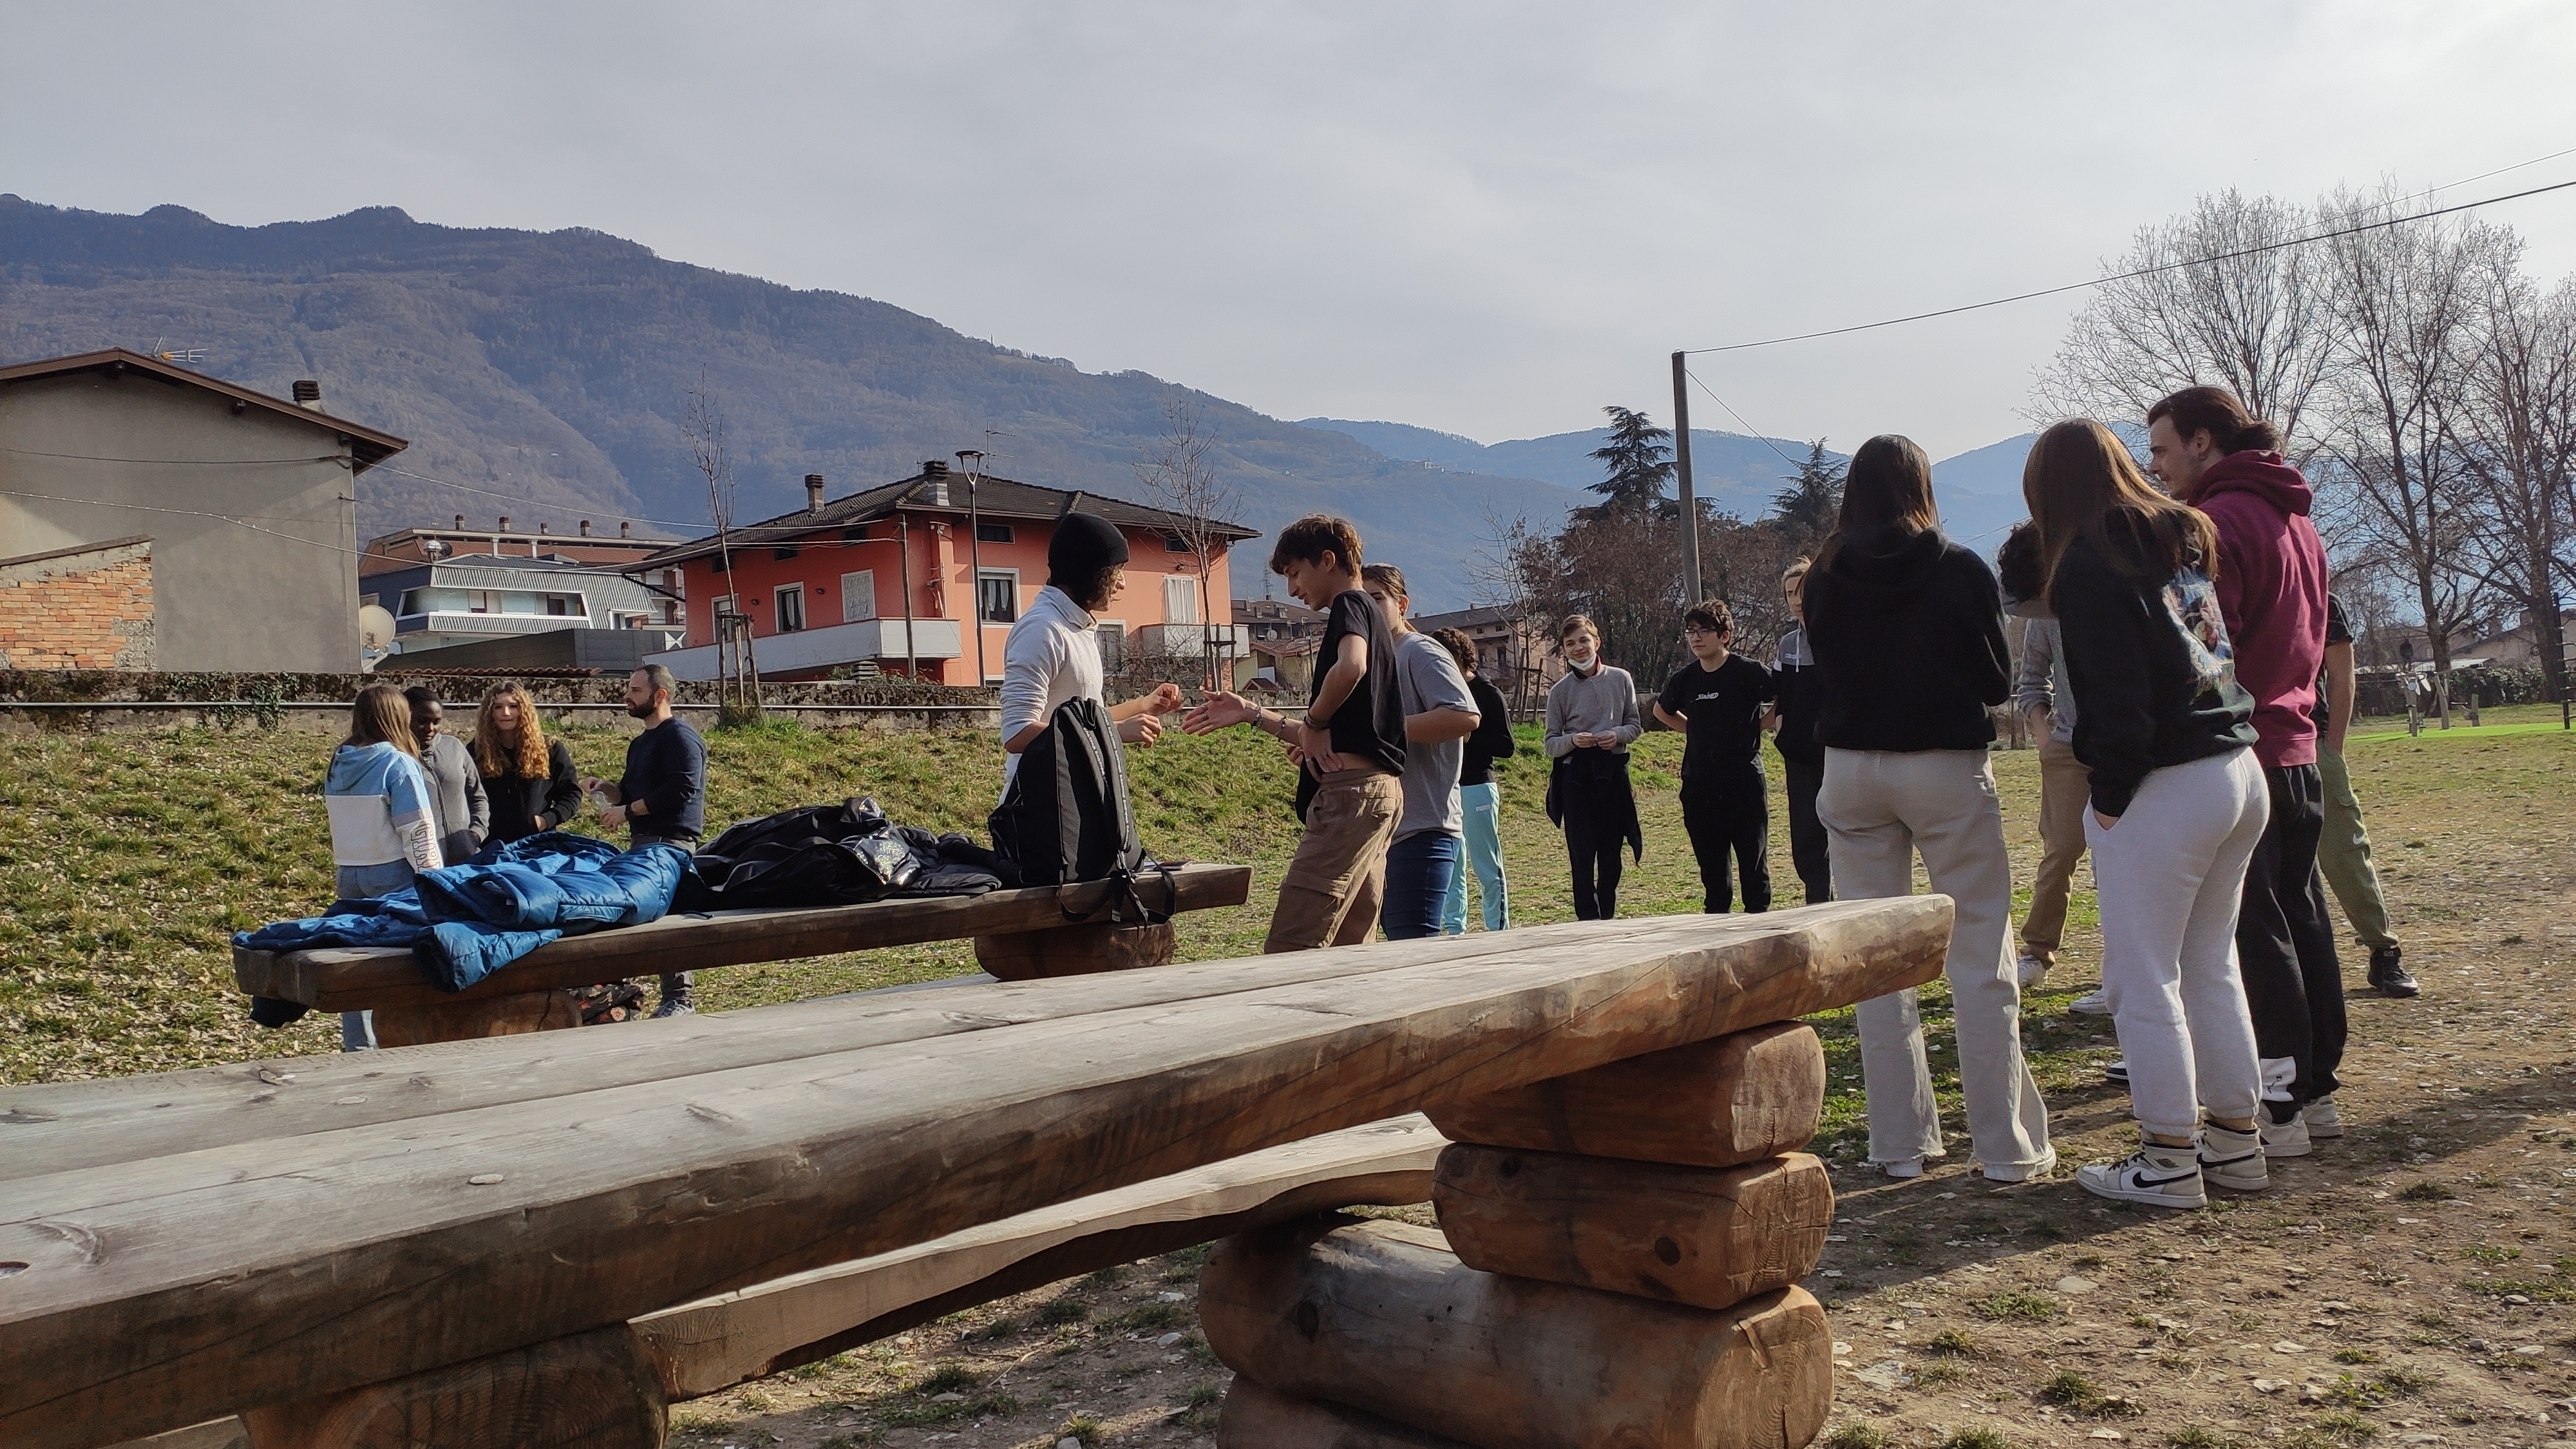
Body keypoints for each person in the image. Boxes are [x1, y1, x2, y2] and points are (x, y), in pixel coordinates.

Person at [2025, 419, 2271, 1209]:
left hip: (2167, 782)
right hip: (2235, 767)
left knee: (2142, 979)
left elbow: (2119, 701)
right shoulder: (2178, 535)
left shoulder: (2088, 562)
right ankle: (2235, 1142)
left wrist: (2106, 802)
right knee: (2209, 966)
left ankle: (2167, 1158)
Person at [1802, 433, 2052, 1184]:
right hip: (1942, 766)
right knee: (1979, 954)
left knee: (1877, 964)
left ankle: (1899, 1144)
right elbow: (1994, 681)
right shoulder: (1957, 567)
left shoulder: (1823, 573)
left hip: (1850, 768)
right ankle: (2005, 1147)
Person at [2146, 385, 2341, 1154]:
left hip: (2244, 746)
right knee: (2302, 916)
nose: (2155, 467)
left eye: (2162, 449)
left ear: (2202, 442)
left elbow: (2202, 651)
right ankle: (2315, 1088)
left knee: (2254, 931)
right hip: (2296, 744)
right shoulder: (2298, 519)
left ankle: (2280, 1101)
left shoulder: (2216, 523)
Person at [1185, 515, 1405, 952]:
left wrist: (1317, 722)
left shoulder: (1349, 604)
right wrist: (1253, 713)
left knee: (1294, 943)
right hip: (1380, 793)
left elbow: (1351, 667)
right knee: (1352, 945)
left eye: (1295, 573)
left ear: (1328, 560)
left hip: (1350, 798)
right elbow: (1329, 736)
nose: (1291, 589)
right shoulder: (1374, 616)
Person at [1001, 512, 1184, 779]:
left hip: (1077, 791)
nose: (1122, 583)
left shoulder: (1075, 626)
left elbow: (1088, 720)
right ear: (1089, 572)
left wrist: (1145, 705)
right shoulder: (1042, 629)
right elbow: (1016, 732)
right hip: (1042, 798)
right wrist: (1112, 732)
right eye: (1115, 571)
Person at [1997, 524, 2095, 998]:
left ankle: (2128, 966)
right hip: (2068, 748)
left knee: (2126, 857)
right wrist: (2045, 734)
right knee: (2062, 850)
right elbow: (2031, 678)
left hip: (2131, 747)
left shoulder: (2109, 591)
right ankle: (2037, 952)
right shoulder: (2043, 608)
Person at [1361, 565, 1481, 940]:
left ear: (1402, 604)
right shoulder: (1369, 660)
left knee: (1415, 946)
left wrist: (1383, 732)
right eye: (1361, 601)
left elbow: (1465, 716)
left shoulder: (1420, 651)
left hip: (1425, 828)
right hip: (1384, 830)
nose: (1369, 608)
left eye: (1377, 598)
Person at [581, 664, 707, 1016]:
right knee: (651, 918)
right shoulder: (640, 744)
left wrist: (627, 812)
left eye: (636, 690)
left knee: (665, 920)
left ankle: (679, 1000)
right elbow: (630, 793)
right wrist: (605, 790)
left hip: (670, 844)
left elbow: (683, 789)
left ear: (660, 695)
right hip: (644, 844)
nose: (627, 696)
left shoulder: (680, 737)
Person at [324, 683, 444, 1051]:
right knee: (406, 962)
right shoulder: (398, 763)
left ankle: (358, 1046)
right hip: (393, 872)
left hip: (349, 871)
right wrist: (436, 884)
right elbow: (417, 830)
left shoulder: (339, 761)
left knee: (355, 961)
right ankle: (405, 1041)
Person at [2316, 592, 2416, 997]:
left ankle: (2383, 950)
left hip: (2308, 740)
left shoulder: (2321, 599)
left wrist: (2333, 749)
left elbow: (2342, 678)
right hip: (2241, 741)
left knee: (2345, 849)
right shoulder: (2220, 588)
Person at [1653, 599, 1776, 913]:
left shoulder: (1748, 671)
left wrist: (1759, 725)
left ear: (1725, 636)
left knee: (1753, 861)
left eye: (1704, 631)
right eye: (1690, 632)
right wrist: (1694, 730)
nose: (1696, 638)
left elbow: (1784, 698)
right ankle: (1717, 923)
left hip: (1744, 779)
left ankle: (1759, 924)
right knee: (1712, 868)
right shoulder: (1685, 678)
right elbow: (1661, 711)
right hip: (1699, 782)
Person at [1543, 614, 1642, 920]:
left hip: (1612, 774)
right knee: (1582, 854)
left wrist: (1617, 735)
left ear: (1596, 642)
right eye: (1570, 643)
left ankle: (1608, 915)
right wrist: (1573, 740)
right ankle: (1587, 919)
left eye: (1584, 640)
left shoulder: (1621, 679)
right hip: (1576, 779)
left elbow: (1635, 725)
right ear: (1564, 650)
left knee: (1612, 851)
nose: (1579, 648)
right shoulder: (1560, 692)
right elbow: (1550, 743)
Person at [1438, 625, 1517, 934]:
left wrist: (1469, 734)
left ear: (1464, 659)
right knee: (1452, 866)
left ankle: (1497, 930)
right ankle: (1454, 930)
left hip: (1478, 787)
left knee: (1486, 864)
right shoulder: (1439, 692)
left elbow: (1506, 746)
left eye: (1449, 659)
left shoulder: (1488, 693)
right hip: (1446, 788)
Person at [1770, 559, 1832, 906]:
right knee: (1806, 833)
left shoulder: (1840, 635)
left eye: (1803, 591)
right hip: (1798, 752)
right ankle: (1817, 902)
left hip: (1836, 747)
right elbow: (1780, 693)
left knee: (1839, 825)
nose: (1797, 600)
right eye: (1790, 593)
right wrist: (1781, 725)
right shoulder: (1786, 645)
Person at [472, 679, 583, 845]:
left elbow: (571, 794)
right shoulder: (475, 751)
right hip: (490, 845)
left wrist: (547, 820)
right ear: (489, 713)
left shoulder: (550, 748)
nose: (506, 713)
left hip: (537, 844)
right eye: (498, 707)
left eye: (513, 706)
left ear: (524, 710)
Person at [404, 685, 489, 866]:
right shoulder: (396, 756)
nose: (430, 728)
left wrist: (476, 834)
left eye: (436, 722)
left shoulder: (454, 747)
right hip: (421, 864)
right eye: (422, 721)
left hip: (466, 859)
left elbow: (478, 796)